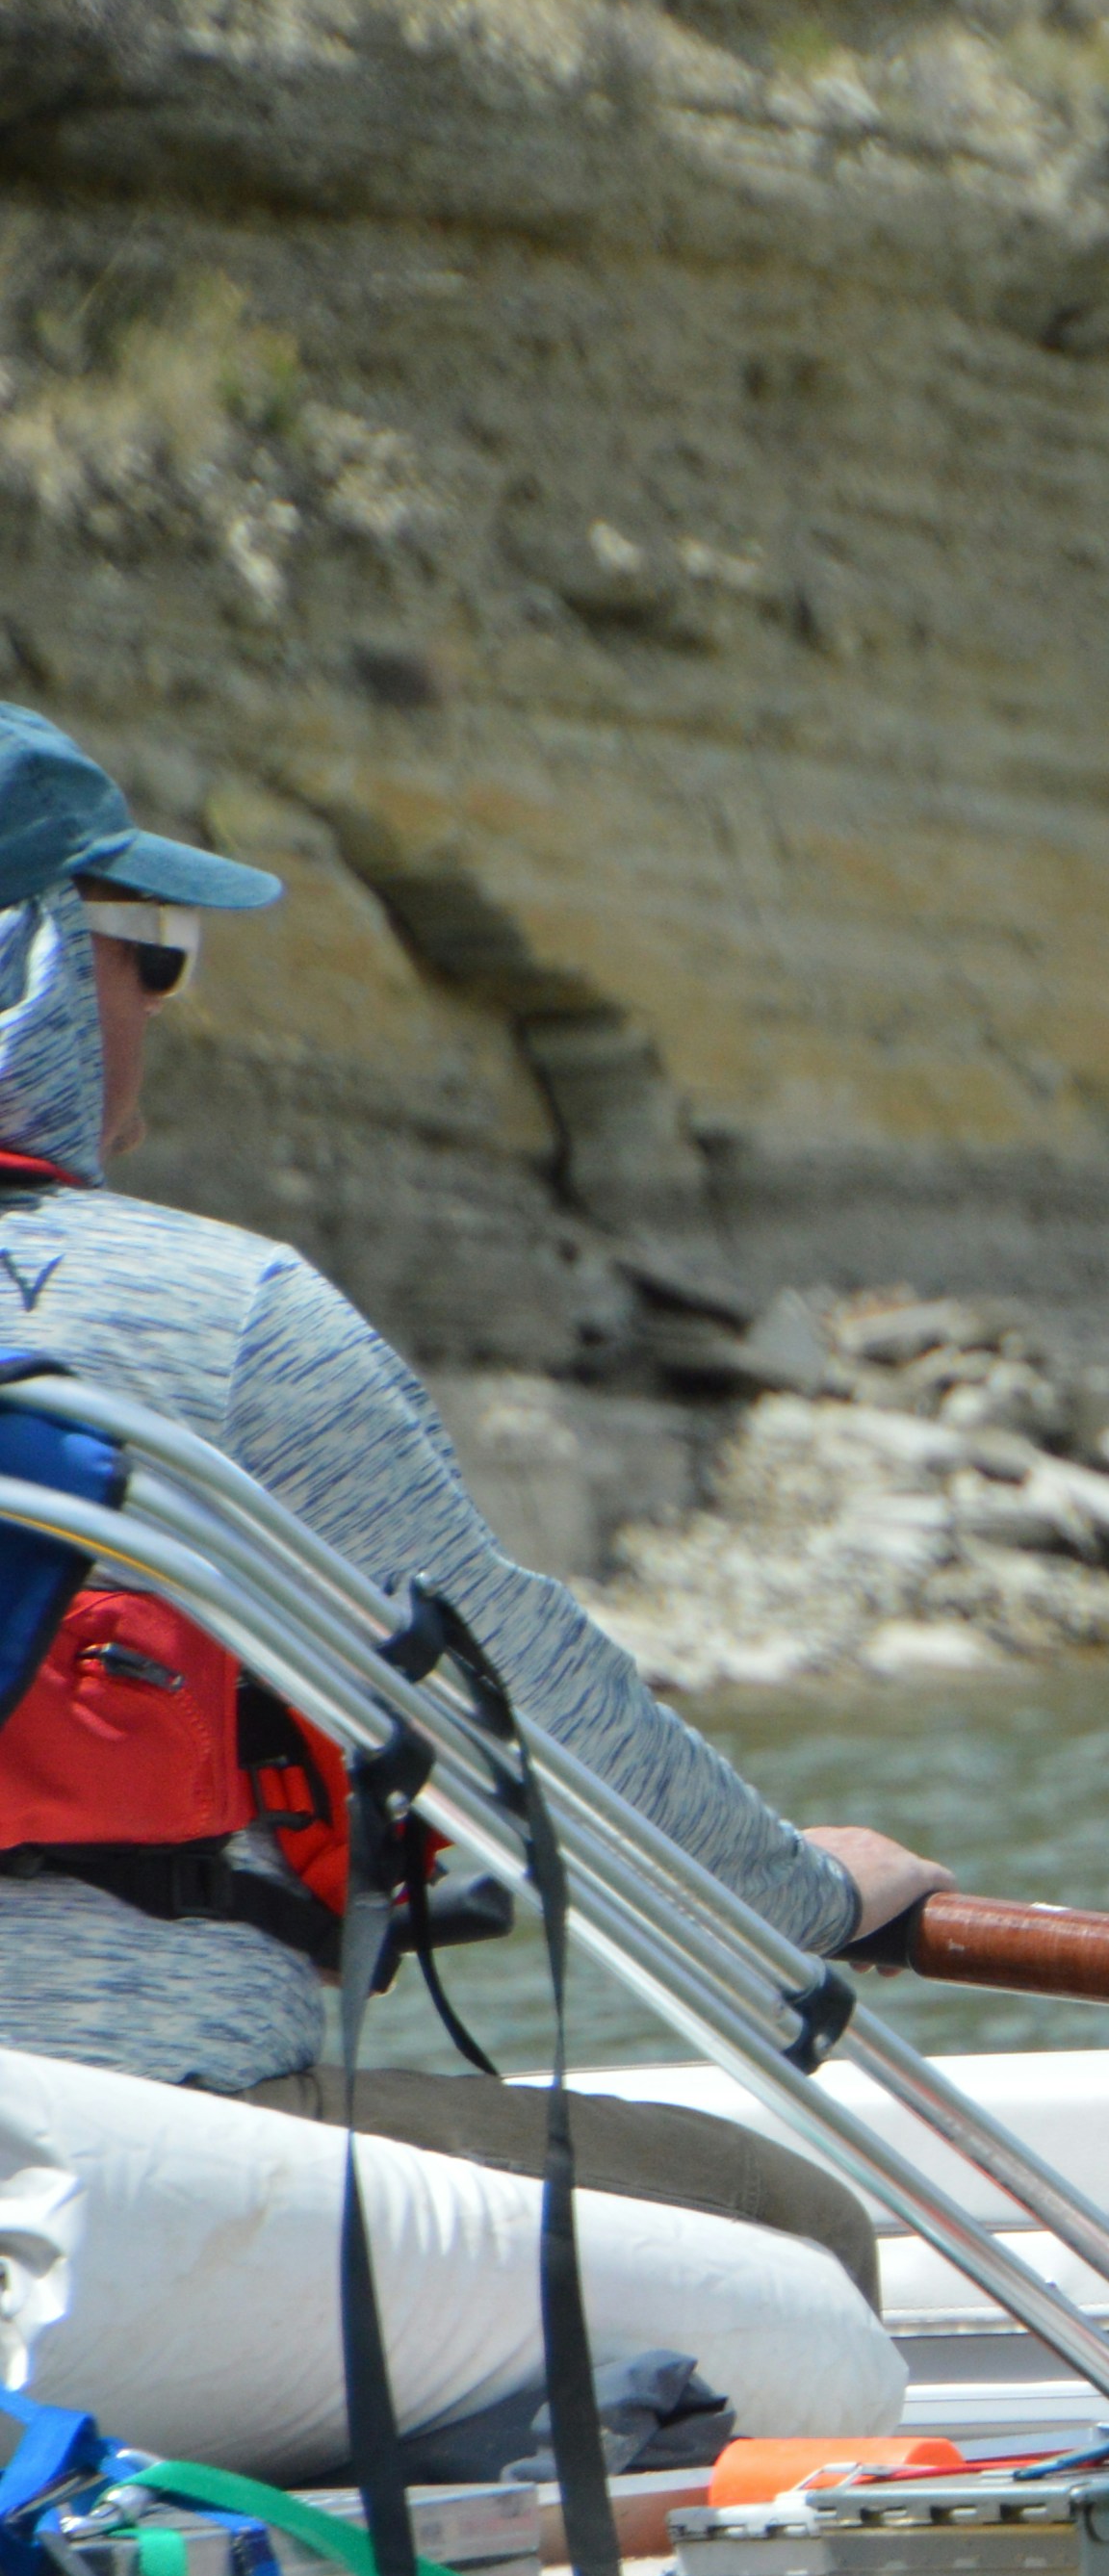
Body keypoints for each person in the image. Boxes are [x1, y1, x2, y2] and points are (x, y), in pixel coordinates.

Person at [0, 709, 940, 2469]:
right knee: (789, 2237)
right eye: (150, 957)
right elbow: (522, 1701)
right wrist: (800, 1896)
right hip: (99, 2181)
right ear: (34, 974)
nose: (153, 1021)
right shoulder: (219, 1321)